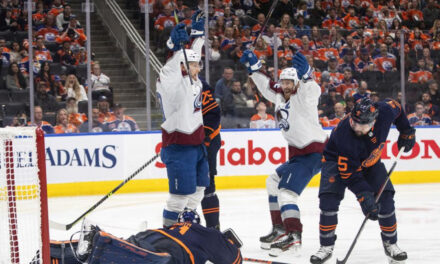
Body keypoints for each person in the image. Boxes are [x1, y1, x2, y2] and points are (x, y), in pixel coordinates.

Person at [240, 51, 328, 256]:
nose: (287, 86)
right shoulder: (281, 94)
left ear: (297, 83)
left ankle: (294, 236)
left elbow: (313, 91)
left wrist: (307, 75)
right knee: (272, 183)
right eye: (284, 82)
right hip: (299, 155)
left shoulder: (304, 96)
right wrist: (254, 69)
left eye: (291, 82)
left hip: (314, 153)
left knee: (287, 193)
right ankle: (280, 229)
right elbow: (267, 86)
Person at [310, 97, 415, 264]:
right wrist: (364, 197)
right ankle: (326, 246)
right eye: (354, 122)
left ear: (374, 121)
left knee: (386, 198)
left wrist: (406, 131)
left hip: (370, 161)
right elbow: (350, 175)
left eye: (362, 125)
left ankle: (391, 244)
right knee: (328, 200)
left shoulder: (385, 111)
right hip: (336, 161)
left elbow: (398, 108)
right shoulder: (345, 135)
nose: (357, 127)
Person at [156, 13, 209, 227]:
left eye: (198, 65)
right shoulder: (171, 84)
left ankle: (187, 226)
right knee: (178, 198)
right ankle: (168, 235)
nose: (197, 68)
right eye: (193, 65)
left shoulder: (193, 81)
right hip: (178, 147)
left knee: (198, 191)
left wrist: (198, 37)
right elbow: (172, 69)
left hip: (197, 146)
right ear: (183, 68)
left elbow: (191, 57)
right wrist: (175, 49)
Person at [73, 209, 242, 264]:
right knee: (154, 256)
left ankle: (94, 240)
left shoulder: (174, 227)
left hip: (152, 234)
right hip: (176, 249)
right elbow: (234, 260)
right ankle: (102, 238)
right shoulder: (208, 234)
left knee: (135, 244)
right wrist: (230, 243)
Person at [200, 59, 222, 230]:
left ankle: (213, 228)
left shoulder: (202, 86)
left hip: (207, 142)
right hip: (188, 143)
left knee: (207, 184)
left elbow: (213, 114)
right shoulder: (175, 85)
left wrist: (206, 136)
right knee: (188, 187)